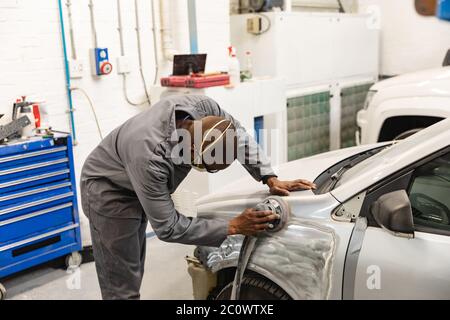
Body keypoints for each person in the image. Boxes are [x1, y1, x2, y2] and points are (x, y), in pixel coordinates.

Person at [80, 95, 316, 300]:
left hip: (134, 174)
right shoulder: (151, 155)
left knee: (133, 264)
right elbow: (168, 228)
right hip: (110, 191)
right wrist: (233, 225)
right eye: (205, 167)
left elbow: (239, 135)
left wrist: (269, 177)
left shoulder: (205, 109)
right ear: (191, 152)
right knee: (122, 281)